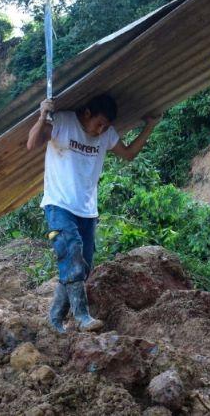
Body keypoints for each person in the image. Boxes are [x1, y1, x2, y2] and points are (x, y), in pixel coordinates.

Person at [27, 94, 160, 333]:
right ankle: (81, 317)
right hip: (59, 205)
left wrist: (150, 126)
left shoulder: (106, 134)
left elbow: (129, 154)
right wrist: (42, 116)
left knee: (83, 266)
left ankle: (55, 318)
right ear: (86, 113)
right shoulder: (63, 122)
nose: (101, 130)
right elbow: (32, 143)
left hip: (87, 211)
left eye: (106, 127)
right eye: (98, 124)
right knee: (72, 252)